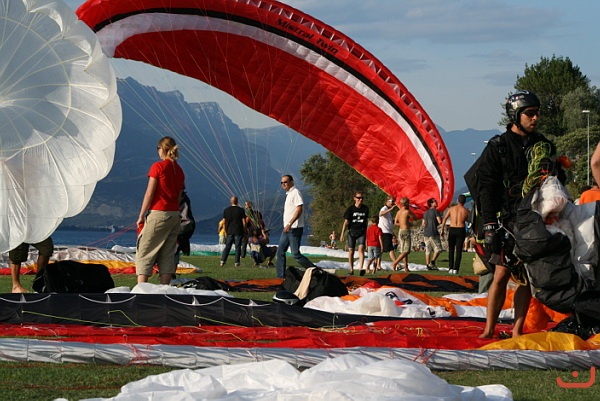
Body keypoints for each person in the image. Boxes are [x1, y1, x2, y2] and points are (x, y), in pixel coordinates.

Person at [474, 90, 562, 339]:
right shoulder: (498, 147)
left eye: (537, 114)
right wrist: (488, 224)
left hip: (534, 218)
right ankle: (489, 328)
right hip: (505, 218)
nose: (535, 118)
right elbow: (486, 187)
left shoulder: (543, 145)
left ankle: (517, 329)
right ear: (516, 116)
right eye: (530, 114)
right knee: (501, 273)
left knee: (526, 276)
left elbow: (556, 180)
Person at [136, 136, 185, 284]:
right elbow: (179, 197)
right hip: (174, 215)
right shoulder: (179, 171)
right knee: (167, 254)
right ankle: (164, 288)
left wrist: (141, 215)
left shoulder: (158, 167)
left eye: (158, 148)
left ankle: (142, 288)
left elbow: (149, 193)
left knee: (145, 251)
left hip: (159, 213)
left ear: (162, 149)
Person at [276, 175, 316, 278]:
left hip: (294, 228)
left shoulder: (295, 192)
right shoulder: (289, 194)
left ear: (292, 182)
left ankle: (315, 270)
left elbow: (299, 209)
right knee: (280, 252)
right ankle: (280, 277)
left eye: (285, 182)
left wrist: (290, 223)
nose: (283, 184)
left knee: (295, 254)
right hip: (287, 229)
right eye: (282, 182)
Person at [340, 191, 369, 275]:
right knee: (351, 251)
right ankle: (351, 269)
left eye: (362, 198)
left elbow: (366, 221)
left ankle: (361, 268)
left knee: (361, 249)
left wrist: (366, 232)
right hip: (352, 231)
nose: (360, 199)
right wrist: (342, 234)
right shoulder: (350, 209)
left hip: (361, 231)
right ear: (355, 199)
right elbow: (345, 222)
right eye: (358, 198)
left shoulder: (365, 208)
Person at [440, 194, 470, 274]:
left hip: (452, 229)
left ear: (457, 200)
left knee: (451, 249)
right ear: (464, 201)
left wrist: (442, 230)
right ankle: (456, 268)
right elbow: (471, 220)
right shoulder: (466, 210)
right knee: (459, 250)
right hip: (461, 229)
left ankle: (450, 268)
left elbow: (444, 219)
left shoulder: (451, 209)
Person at [220, 196, 247, 267]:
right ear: (237, 202)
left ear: (230, 201)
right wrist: (245, 230)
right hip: (238, 230)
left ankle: (222, 261)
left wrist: (225, 231)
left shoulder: (226, 210)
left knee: (227, 247)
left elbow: (224, 222)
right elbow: (244, 222)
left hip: (229, 231)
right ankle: (237, 262)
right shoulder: (241, 210)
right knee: (238, 247)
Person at [391, 197, 416, 272]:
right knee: (406, 251)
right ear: (407, 203)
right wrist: (408, 223)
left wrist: (403, 223)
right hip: (406, 231)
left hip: (400, 231)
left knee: (403, 251)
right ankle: (395, 263)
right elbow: (415, 218)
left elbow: (395, 223)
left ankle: (406, 267)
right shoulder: (407, 211)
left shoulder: (398, 212)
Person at [422, 198, 442, 270]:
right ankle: (432, 263)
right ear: (431, 204)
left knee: (428, 249)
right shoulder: (436, 211)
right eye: (434, 202)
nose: (436, 202)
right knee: (438, 249)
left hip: (426, 233)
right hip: (433, 232)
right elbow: (439, 221)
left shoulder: (426, 213)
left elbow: (423, 224)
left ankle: (428, 265)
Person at [378, 197, 398, 266]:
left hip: (388, 232)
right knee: (390, 249)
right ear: (387, 202)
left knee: (385, 249)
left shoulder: (389, 212)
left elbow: (390, 222)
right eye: (391, 201)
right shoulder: (384, 208)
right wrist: (391, 209)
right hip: (384, 231)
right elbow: (381, 213)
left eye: (393, 201)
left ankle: (378, 265)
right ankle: (396, 264)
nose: (393, 203)